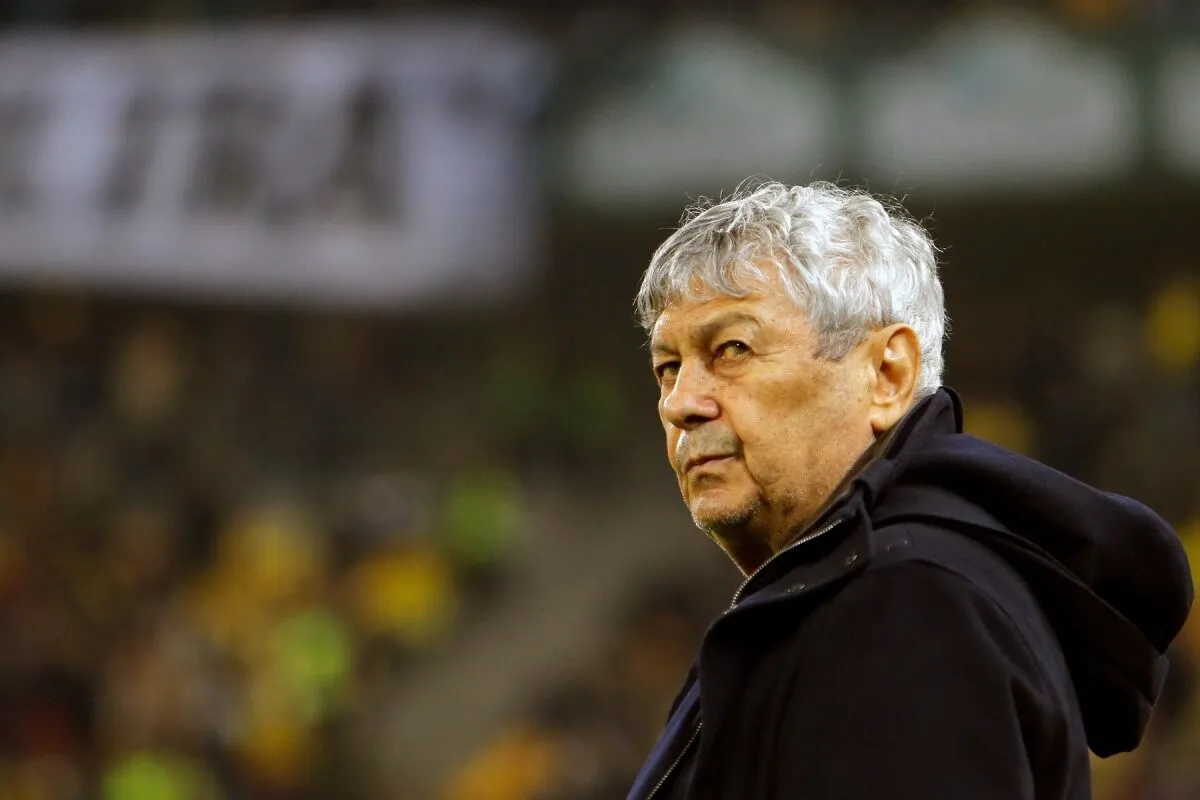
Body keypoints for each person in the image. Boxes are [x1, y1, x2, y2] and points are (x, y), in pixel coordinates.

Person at [626, 180, 1194, 799]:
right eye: (668, 367)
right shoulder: (865, 593)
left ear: (887, 374)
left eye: (732, 349)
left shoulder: (908, 603)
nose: (680, 402)